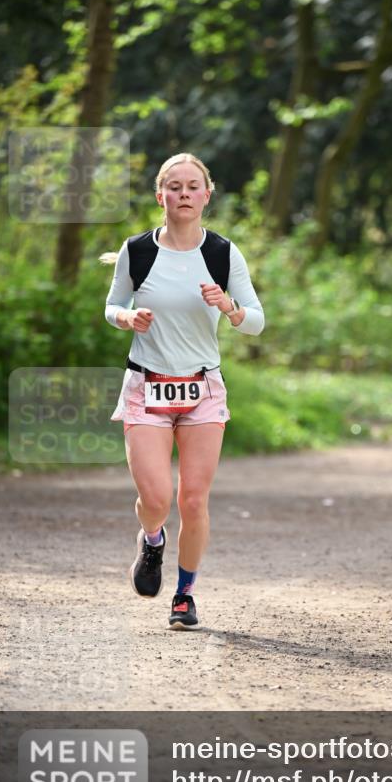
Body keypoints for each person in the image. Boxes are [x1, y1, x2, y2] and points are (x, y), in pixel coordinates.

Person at [103, 153, 264, 629]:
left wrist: (230, 308)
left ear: (207, 195)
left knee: (193, 500)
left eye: (193, 186)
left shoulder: (222, 253)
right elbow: (112, 304)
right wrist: (126, 317)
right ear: (161, 197)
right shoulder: (138, 250)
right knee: (156, 498)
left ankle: (185, 595)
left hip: (203, 387)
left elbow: (255, 321)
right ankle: (152, 540)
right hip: (146, 384)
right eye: (174, 187)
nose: (184, 194)